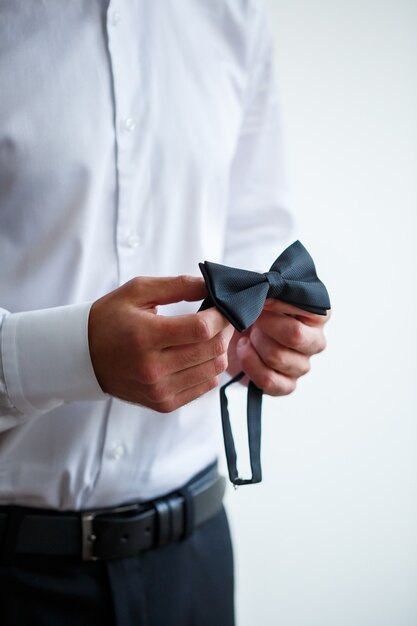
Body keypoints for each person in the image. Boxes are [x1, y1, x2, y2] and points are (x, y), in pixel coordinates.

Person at [0, 1, 330, 624]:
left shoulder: (232, 15)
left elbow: (257, 239)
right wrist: (76, 356)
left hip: (192, 564)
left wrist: (271, 337)